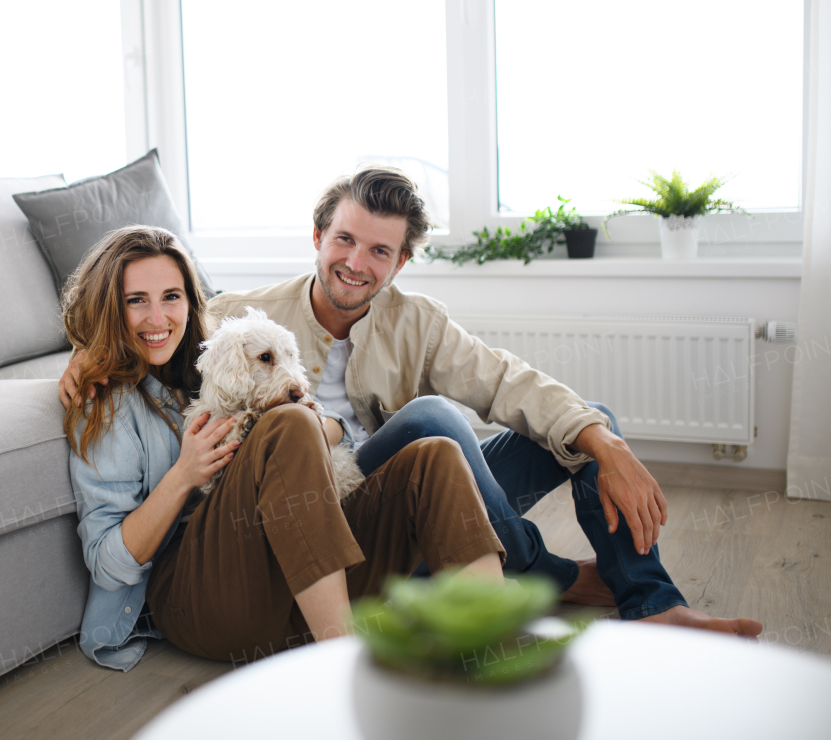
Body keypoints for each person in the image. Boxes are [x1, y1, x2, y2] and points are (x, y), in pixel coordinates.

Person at [61, 167, 763, 637]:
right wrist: (82, 357)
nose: (355, 262)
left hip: (388, 488)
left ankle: (651, 601)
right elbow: (153, 325)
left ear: (400, 263)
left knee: (587, 422)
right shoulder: (247, 313)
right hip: (321, 495)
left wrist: (603, 443)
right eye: (343, 239)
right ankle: (546, 573)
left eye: (378, 251)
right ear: (317, 237)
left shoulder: (417, 318)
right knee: (429, 419)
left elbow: (504, 380)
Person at [62, 224, 505, 670]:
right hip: (203, 601)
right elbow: (106, 563)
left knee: (435, 457)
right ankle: (345, 673)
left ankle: (497, 656)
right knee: (290, 423)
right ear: (109, 308)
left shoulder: (210, 355)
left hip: (291, 586)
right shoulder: (105, 402)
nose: (158, 318)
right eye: (136, 300)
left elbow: (334, 435)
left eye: (171, 297)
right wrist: (182, 477)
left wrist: (321, 425)